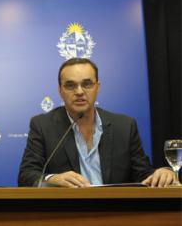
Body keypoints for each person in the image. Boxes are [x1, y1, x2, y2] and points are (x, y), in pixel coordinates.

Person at [18, 58, 178, 187]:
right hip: (65, 214)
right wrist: (52, 179)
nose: (79, 92)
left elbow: (143, 174)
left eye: (87, 84)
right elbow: (26, 176)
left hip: (115, 214)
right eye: (70, 85)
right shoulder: (42, 125)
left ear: (97, 87)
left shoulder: (124, 126)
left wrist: (163, 173)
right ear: (60, 90)